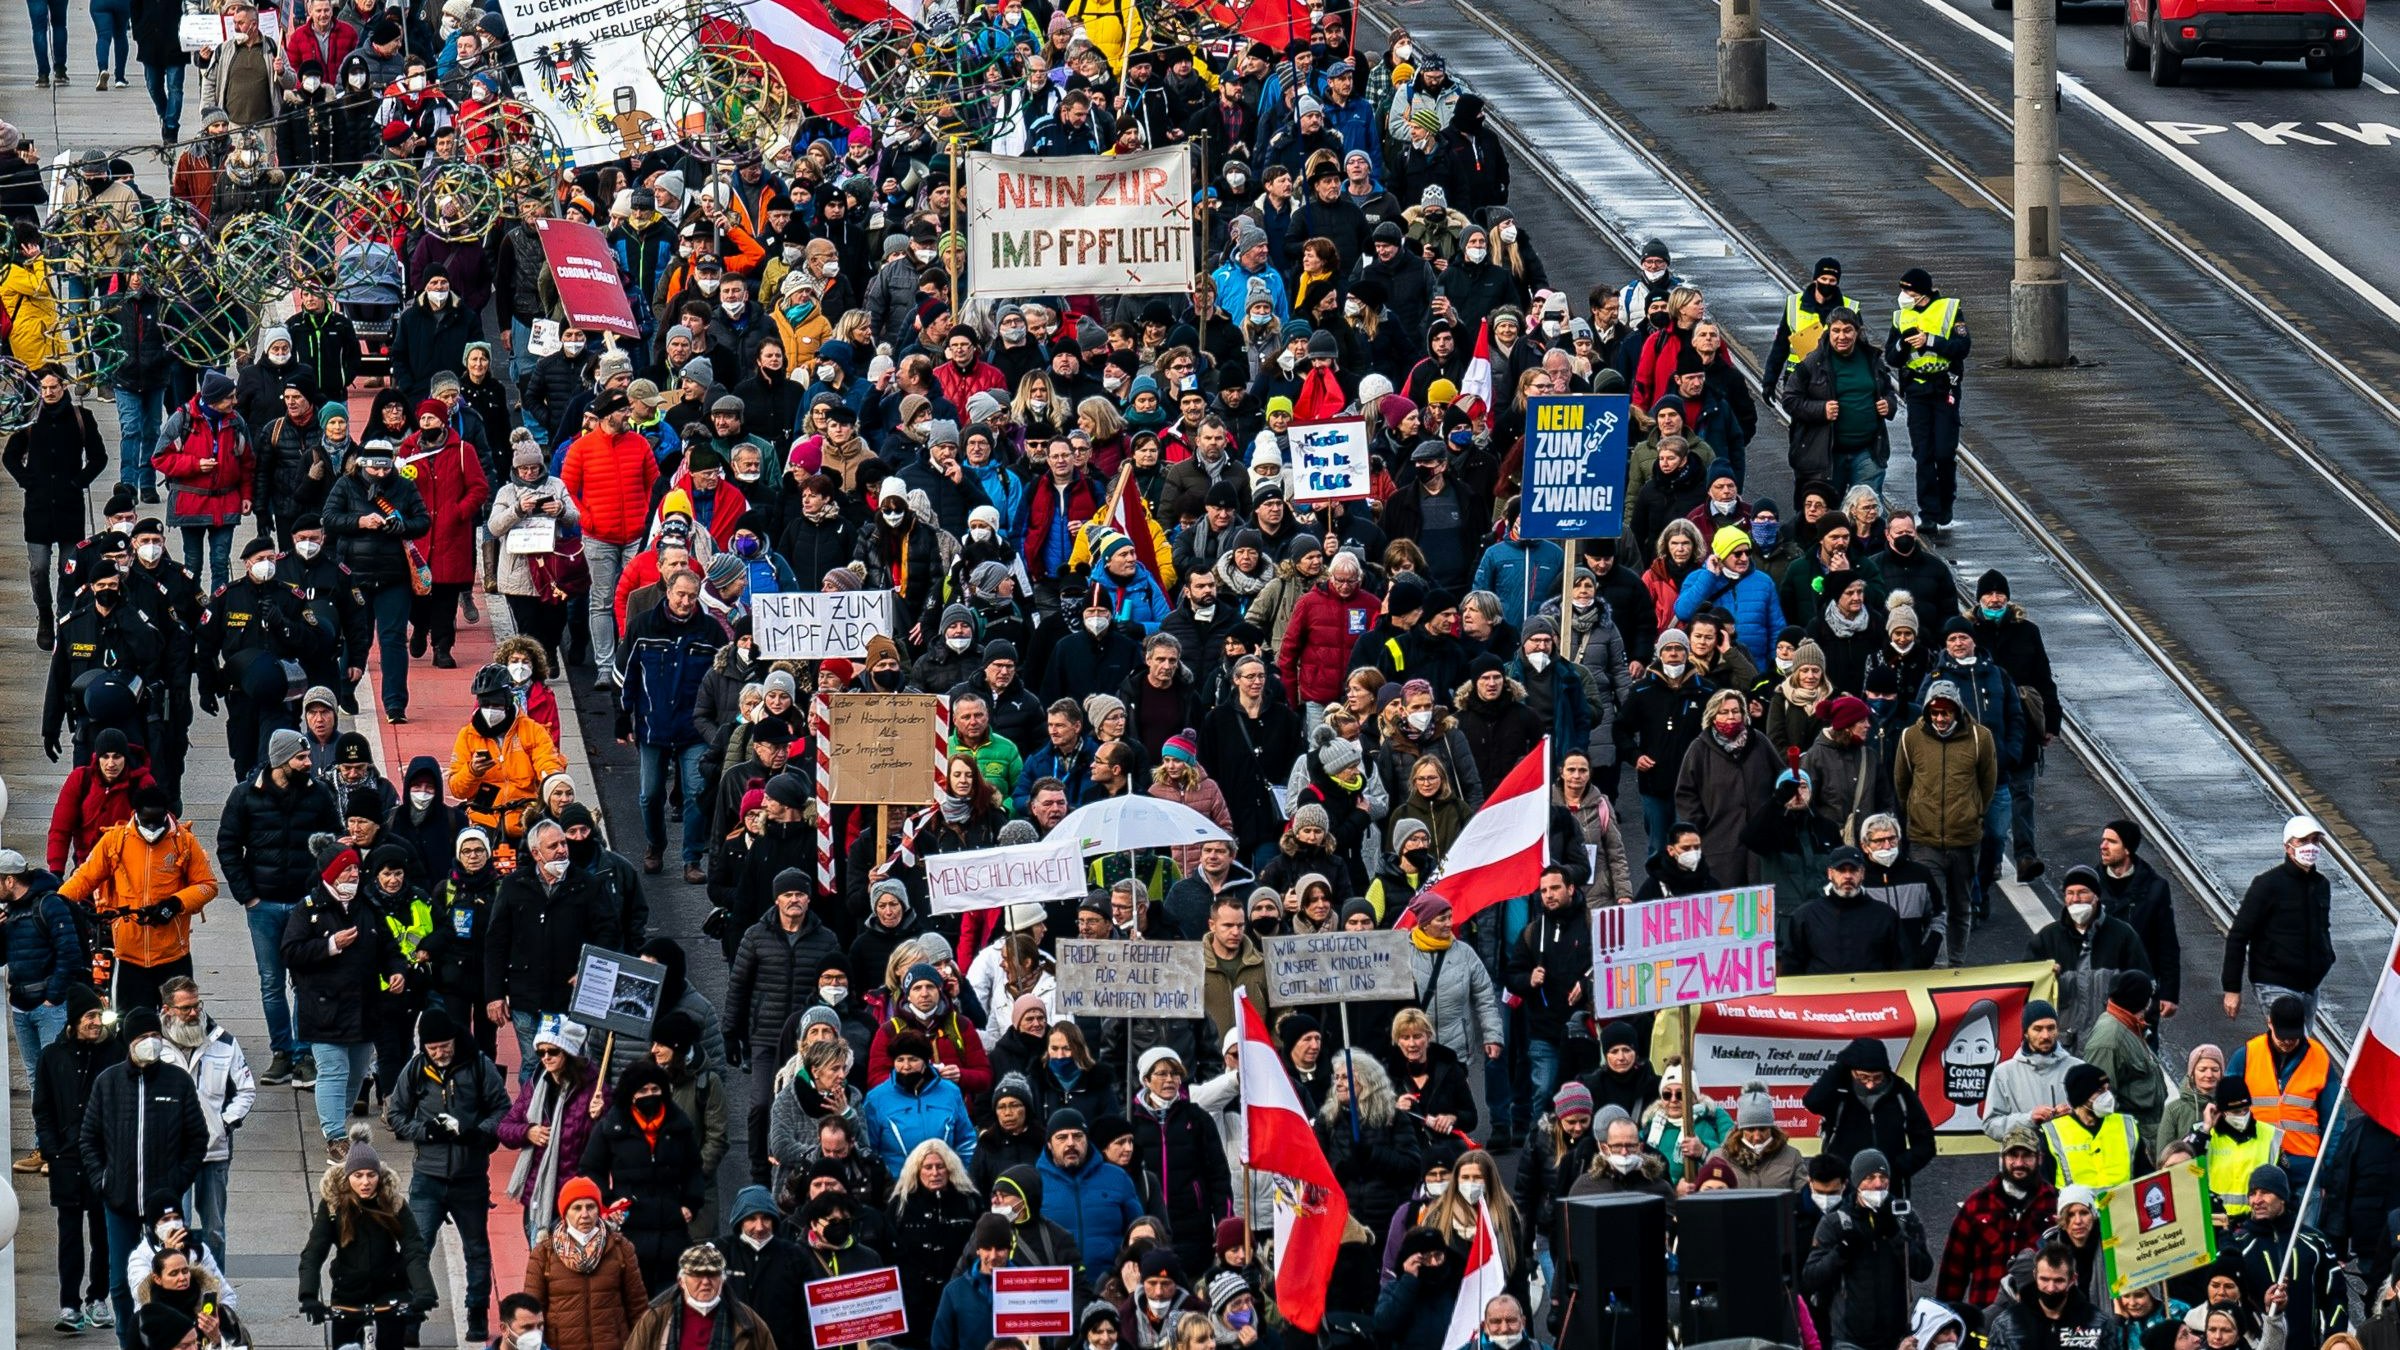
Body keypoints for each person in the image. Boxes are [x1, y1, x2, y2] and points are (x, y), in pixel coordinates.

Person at [216, 728, 340, 1088]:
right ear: (282, 760)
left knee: (303, 982)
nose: (308, 763)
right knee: (271, 983)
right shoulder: (244, 796)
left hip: (305, 905)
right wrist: (247, 895)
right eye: (301, 758)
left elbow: (332, 843)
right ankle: (282, 1051)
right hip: (264, 905)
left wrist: (319, 892)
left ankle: (303, 1055)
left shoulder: (318, 794)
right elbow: (228, 845)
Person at [80, 1007, 210, 1345]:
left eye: (155, 1037)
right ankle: (129, 1341)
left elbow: (197, 1137)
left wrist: (177, 1182)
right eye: (142, 1038)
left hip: (164, 1206)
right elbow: (89, 1138)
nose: (150, 1044)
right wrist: (103, 1181)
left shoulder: (177, 1081)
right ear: (128, 1042)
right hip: (119, 1201)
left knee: (178, 1276)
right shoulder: (107, 1083)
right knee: (121, 1283)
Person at [385, 1005, 509, 1340]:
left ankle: (477, 1313)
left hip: (469, 1177)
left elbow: (502, 1107)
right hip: (428, 1177)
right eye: (432, 1048)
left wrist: (479, 1133)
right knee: (417, 1248)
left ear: (455, 1039)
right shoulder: (414, 1071)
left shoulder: (479, 1066)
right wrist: (424, 1131)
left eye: (444, 1046)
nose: (439, 1053)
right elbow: (394, 1114)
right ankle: (412, 1319)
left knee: (477, 1249)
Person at [60, 789, 218, 1017]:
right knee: (128, 1026)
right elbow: (84, 877)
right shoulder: (115, 841)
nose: (152, 828)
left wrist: (175, 903)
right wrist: (57, 902)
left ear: (167, 814)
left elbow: (207, 885)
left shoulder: (184, 842)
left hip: (173, 956)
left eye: (158, 821)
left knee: (181, 1024)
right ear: (136, 814)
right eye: (147, 821)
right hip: (128, 957)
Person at [322, 444, 433, 722]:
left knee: (393, 639)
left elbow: (422, 520)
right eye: (375, 467)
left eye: (385, 467)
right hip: (355, 576)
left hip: (393, 576)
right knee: (357, 638)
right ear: (362, 465)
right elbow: (330, 518)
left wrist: (402, 525)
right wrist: (360, 521)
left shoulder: (404, 487)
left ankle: (395, 704)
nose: (381, 473)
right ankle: (345, 689)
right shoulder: (346, 485)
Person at [297, 1141, 440, 1348]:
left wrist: (423, 1292)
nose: (365, 1182)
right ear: (348, 1177)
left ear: (379, 1176)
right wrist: (309, 1296)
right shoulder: (333, 1206)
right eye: (358, 1175)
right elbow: (313, 1253)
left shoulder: (393, 1202)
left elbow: (414, 1248)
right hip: (348, 1293)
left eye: (371, 1175)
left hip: (389, 1290)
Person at [153, 978, 252, 1272]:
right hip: (172, 1157)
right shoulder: (153, 1046)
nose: (194, 1013)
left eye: (197, 1005)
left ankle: (215, 1294)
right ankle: (175, 1291)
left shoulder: (223, 1042)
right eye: (186, 1008)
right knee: (172, 1231)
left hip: (214, 1153)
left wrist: (222, 1124)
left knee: (214, 1232)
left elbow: (246, 1091)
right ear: (167, 1010)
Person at [37, 985, 119, 1335]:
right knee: (70, 1235)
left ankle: (97, 1298)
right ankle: (69, 1303)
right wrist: (52, 1149)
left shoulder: (114, 1054)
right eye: (90, 1017)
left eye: (99, 1017)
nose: (96, 1023)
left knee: (103, 1235)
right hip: (67, 1160)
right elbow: (43, 1109)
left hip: (103, 1161)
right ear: (74, 1021)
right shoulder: (53, 1057)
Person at [1798, 1149, 1931, 1350]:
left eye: (1883, 1177)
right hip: (1849, 1337)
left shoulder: (1903, 1217)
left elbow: (1923, 1270)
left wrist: (1896, 1236)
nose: (1878, 1184)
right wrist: (1841, 1252)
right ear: (1856, 1181)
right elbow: (1810, 1277)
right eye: (1869, 1178)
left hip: (1895, 1336)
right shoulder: (1835, 1221)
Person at [2223, 817, 2335, 1029]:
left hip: (2309, 985)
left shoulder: (2321, 885)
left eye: (2315, 840)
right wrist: (2232, 988)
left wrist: (2326, 957)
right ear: (2288, 847)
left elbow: (2322, 929)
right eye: (2303, 841)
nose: (2310, 846)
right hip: (2274, 982)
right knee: (2292, 1040)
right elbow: (2239, 935)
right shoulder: (2267, 885)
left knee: (2299, 1050)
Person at [2226, 994, 2342, 1189]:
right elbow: (2226, 1110)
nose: (2287, 1041)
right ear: (2269, 1022)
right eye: (2282, 1035)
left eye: (2293, 1036)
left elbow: (2334, 1120)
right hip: (2257, 1161)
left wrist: (2329, 1171)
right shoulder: (2246, 1055)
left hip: (2305, 1168)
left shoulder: (2319, 1058)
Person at [1884, 268, 1969, 531]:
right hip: (1917, 392)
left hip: (1944, 389)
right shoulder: (1901, 317)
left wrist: (1929, 341)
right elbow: (1891, 356)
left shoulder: (1949, 309)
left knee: (1944, 451)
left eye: (1908, 290)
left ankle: (1946, 502)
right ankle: (1928, 513)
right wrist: (1904, 344)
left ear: (1921, 291)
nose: (1903, 295)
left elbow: (1962, 347)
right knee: (1923, 453)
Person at [1936, 1126, 2056, 1308]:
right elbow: (1953, 1270)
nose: (2019, 1162)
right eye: (2013, 1156)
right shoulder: (1976, 1204)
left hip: (2041, 1319)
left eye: (2027, 1156)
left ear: (2039, 1159)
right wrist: (1947, 1320)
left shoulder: (2055, 1203)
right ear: (2002, 1159)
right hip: (1986, 1318)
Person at [523, 1177, 648, 1350]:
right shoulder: (544, 1253)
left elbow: (637, 1306)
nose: (584, 1214)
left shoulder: (621, 1248)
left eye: (590, 1207)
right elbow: (531, 1311)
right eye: (576, 1208)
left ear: (598, 1209)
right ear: (565, 1212)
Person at [1802, 1036, 1936, 1195]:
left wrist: (1896, 1168)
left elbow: (1925, 1143)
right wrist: (1840, 1067)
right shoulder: (1840, 1091)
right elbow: (1812, 1102)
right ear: (1851, 1071)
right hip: (1845, 1186)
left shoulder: (1900, 1092)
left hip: (1887, 1186)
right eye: (1863, 1077)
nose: (1870, 1084)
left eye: (1878, 1078)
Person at [2228, 1165, 2346, 1343]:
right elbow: (2230, 1303)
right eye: (2252, 1193)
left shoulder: (2315, 1241)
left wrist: (2334, 1341)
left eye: (2265, 1192)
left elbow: (2335, 1297)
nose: (2257, 1200)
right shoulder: (2238, 1245)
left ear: (2282, 1197)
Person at [1985, 1243, 2118, 1350]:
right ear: (2035, 1275)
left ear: (2072, 1279)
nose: (2050, 1288)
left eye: (2058, 1281)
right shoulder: (2008, 1323)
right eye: (2044, 1279)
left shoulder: (2097, 1322)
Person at [2043, 1062, 2152, 1190]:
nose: (2108, 1096)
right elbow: (2045, 1184)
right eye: (2100, 1091)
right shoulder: (2053, 1132)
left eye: (2107, 1089)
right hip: (2077, 1208)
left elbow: (2145, 1175)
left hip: (2123, 1206)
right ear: (2082, 1096)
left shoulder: (2127, 1124)